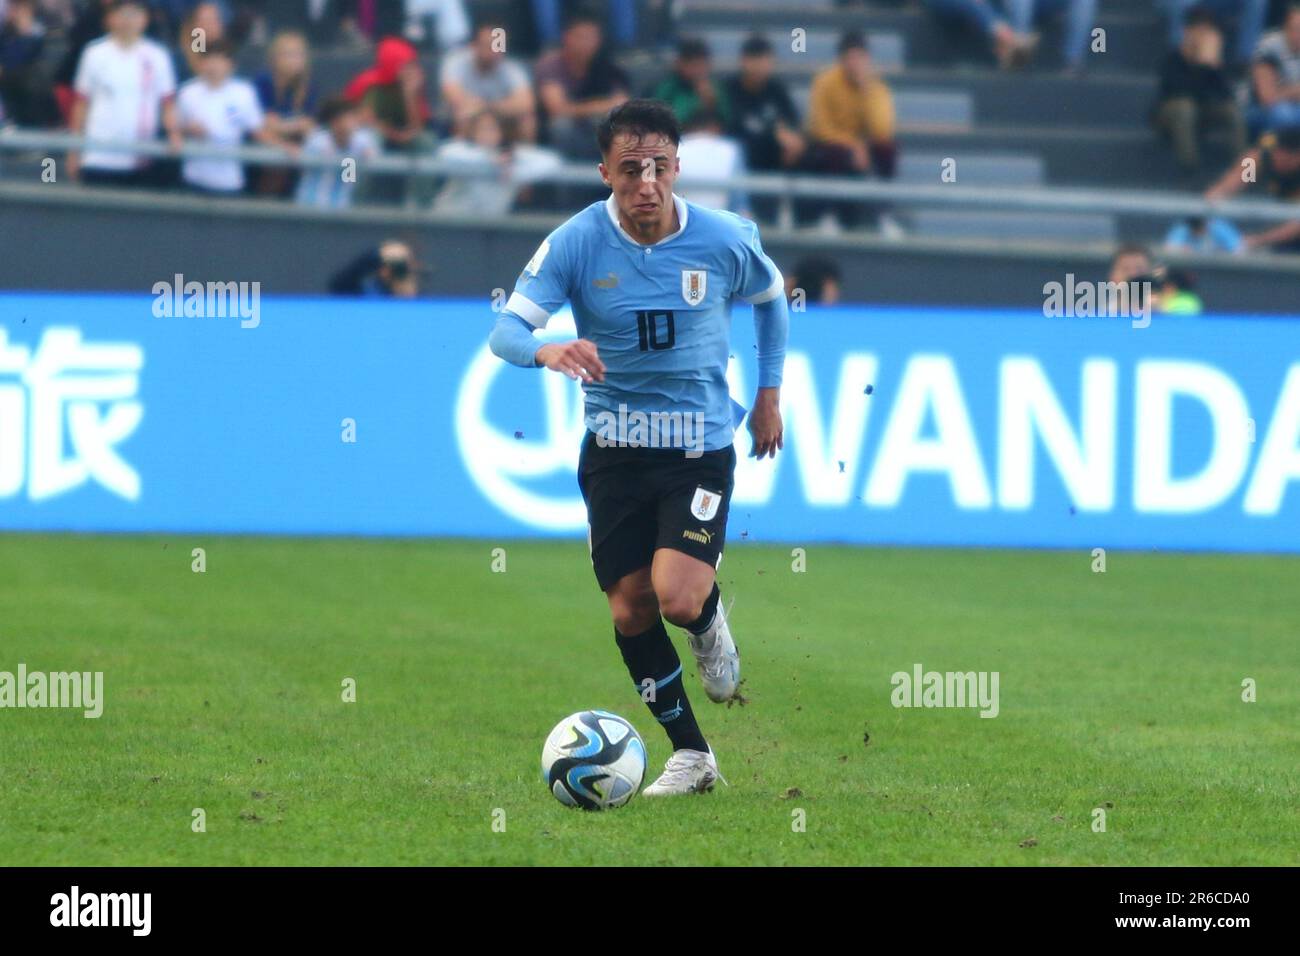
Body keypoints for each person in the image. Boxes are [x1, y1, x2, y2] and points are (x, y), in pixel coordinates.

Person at [487, 99, 789, 797]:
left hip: (697, 448)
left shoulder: (722, 238)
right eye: (630, 169)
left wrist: (769, 392)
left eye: (659, 166)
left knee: (678, 598)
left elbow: (773, 299)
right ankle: (693, 755)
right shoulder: (575, 243)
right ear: (606, 173)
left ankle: (711, 627)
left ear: (678, 167)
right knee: (630, 608)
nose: (646, 181)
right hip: (615, 453)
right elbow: (505, 332)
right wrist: (546, 348)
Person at [67, 0, 180, 185]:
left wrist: (174, 133)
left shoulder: (158, 56)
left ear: (145, 19)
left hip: (141, 157)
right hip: (98, 155)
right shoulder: (93, 53)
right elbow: (81, 105)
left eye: (135, 14)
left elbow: (168, 103)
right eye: (122, 14)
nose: (128, 20)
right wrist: (74, 151)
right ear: (110, 18)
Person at [1154, 5, 1245, 170]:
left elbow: (1227, 95)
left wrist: (1214, 67)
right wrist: (1203, 65)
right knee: (1185, 108)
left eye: (1207, 32)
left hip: (1203, 110)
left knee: (1232, 111)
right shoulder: (1173, 59)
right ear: (1186, 32)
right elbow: (1181, 91)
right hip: (1171, 113)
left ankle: (1242, 169)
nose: (1202, 38)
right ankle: (1189, 167)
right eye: (1199, 31)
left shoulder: (1212, 60)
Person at [176, 40, 269, 193]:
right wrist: (188, 129)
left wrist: (284, 146)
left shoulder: (244, 93)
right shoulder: (188, 92)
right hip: (193, 179)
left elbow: (257, 130)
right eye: (209, 59)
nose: (214, 66)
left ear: (231, 65)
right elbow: (175, 129)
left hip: (230, 182)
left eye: (219, 60)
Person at [431, 107, 560, 215]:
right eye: (481, 128)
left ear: (503, 131)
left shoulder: (513, 154)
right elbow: (444, 153)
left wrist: (513, 172)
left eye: (491, 128)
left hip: (490, 226)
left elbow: (552, 161)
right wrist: (488, 160)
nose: (485, 133)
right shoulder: (463, 149)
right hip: (452, 222)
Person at [534, 10, 628, 159]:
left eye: (591, 38)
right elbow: (557, 109)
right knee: (561, 126)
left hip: (595, 124)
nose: (585, 43)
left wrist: (602, 108)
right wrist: (598, 106)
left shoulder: (606, 66)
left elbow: (621, 103)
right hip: (562, 129)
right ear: (566, 37)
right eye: (581, 37)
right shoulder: (550, 65)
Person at [439, 16, 536, 142]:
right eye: (489, 45)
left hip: (498, 115)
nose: (494, 51)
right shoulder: (455, 61)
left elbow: (526, 103)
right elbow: (455, 98)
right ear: (474, 46)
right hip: (467, 114)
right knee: (464, 113)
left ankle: (524, 156)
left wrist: (489, 108)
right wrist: (484, 110)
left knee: (527, 119)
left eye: (499, 46)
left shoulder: (512, 69)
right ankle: (462, 155)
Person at [252, 29, 318, 195]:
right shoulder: (262, 82)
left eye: (299, 55)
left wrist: (285, 126)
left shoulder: (308, 87)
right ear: (275, 58)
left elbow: (309, 126)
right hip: (261, 148)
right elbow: (263, 125)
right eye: (289, 54)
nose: (295, 60)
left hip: (295, 151)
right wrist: (293, 125)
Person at [295, 95, 380, 208]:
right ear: (333, 122)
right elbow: (306, 167)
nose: (348, 124)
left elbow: (350, 177)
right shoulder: (317, 141)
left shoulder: (362, 141)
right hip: (310, 205)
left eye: (351, 118)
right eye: (343, 119)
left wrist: (365, 153)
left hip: (341, 207)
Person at [648, 36, 731, 130]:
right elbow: (662, 122)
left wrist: (712, 103)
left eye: (701, 64)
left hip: (714, 141)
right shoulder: (667, 88)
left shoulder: (717, 87)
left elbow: (730, 122)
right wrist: (696, 104)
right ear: (679, 63)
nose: (697, 70)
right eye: (692, 64)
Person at [1205, 124, 1300, 202]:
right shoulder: (1257, 160)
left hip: (1286, 216)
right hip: (1250, 211)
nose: (1277, 156)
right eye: (1276, 151)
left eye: (1286, 154)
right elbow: (1224, 189)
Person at [1248, 2, 1300, 137]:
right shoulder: (1269, 46)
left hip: (1293, 106)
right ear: (1285, 27)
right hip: (1259, 109)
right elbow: (1268, 98)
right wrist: (1294, 91)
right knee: (1284, 115)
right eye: (1295, 29)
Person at [1163, 214, 1244, 252]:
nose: (1198, 231)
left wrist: (1222, 252)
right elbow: (1169, 248)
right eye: (1195, 227)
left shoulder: (1219, 226)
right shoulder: (1183, 228)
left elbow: (1239, 248)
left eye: (1201, 225)